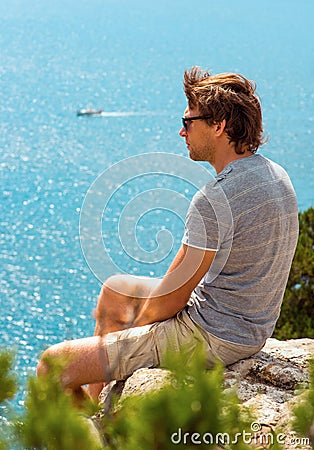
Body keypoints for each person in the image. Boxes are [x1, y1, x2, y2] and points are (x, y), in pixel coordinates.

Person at [37, 66, 299, 405]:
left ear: (218, 126)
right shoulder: (276, 176)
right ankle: (103, 404)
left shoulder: (214, 198)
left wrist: (137, 336)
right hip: (250, 330)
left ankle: (94, 435)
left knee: (50, 366)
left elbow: (169, 300)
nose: (181, 131)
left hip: (209, 337)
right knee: (114, 291)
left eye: (189, 121)